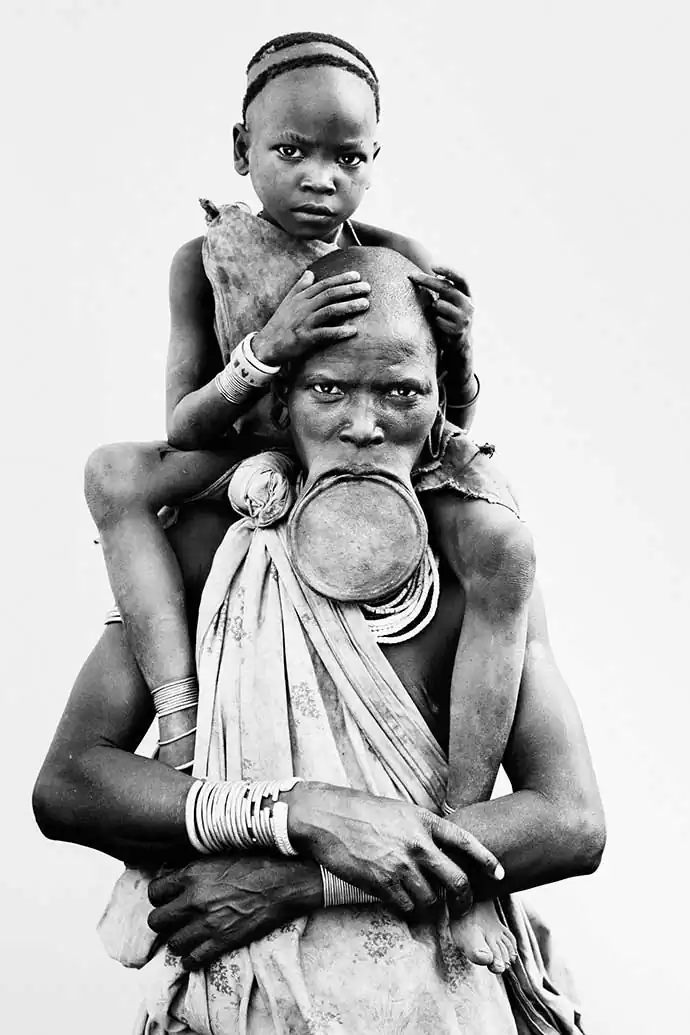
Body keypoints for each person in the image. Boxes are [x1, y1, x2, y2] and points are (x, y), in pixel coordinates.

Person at [35, 248, 605, 1035]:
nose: (364, 425)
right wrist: (298, 813)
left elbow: (571, 820)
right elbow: (70, 783)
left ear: (440, 400)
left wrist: (301, 882)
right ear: (282, 403)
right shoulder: (211, 552)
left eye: (401, 391)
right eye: (329, 389)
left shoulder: (480, 570)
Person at [83, 33, 532, 838]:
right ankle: (179, 714)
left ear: (374, 160)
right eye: (291, 150)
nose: (320, 177)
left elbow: (440, 422)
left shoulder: (397, 257)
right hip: (249, 449)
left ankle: (462, 812)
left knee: (505, 546)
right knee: (113, 473)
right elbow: (182, 423)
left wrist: (460, 350)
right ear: (241, 148)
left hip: (375, 461)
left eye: (347, 158)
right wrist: (269, 348)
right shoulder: (205, 261)